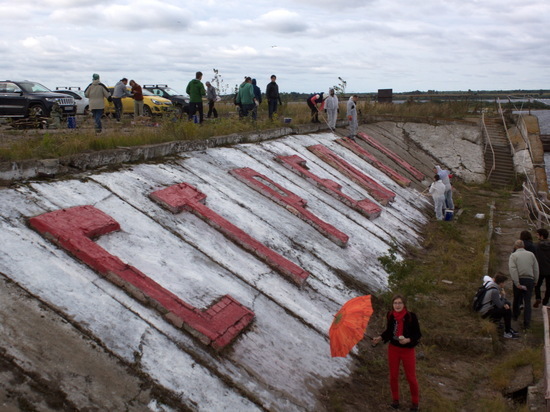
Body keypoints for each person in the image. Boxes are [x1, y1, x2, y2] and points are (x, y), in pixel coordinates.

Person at [372, 295, 421, 412]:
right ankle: (395, 400)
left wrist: (408, 340)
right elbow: (389, 331)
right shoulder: (390, 315)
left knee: (411, 378)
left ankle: (415, 403)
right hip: (393, 349)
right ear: (392, 305)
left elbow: (418, 334)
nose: (397, 305)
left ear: (404, 305)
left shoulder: (411, 316)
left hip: (408, 351)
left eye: (400, 303)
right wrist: (380, 337)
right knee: (393, 376)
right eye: (395, 303)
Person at [509, 239, 539, 329]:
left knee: (517, 298)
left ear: (515, 246)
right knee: (527, 301)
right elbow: (536, 268)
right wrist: (535, 280)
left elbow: (513, 269)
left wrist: (516, 282)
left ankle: (515, 315)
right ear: (524, 246)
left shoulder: (513, 256)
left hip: (519, 278)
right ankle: (527, 322)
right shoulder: (531, 255)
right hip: (529, 279)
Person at [478, 273, 519, 338]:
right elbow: (500, 305)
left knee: (506, 306)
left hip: (486, 309)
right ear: (500, 283)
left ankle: (508, 328)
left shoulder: (493, 287)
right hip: (485, 313)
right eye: (504, 283)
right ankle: (507, 332)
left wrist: (504, 302)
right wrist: (503, 296)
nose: (504, 284)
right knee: (507, 311)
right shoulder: (494, 290)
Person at [535, 228, 550, 307]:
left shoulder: (537, 246)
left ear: (541, 236)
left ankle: (538, 297)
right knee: (548, 287)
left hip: (540, 269)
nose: (536, 236)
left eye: (537, 234)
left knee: (537, 285)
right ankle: (545, 301)